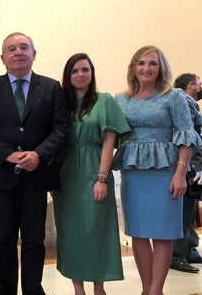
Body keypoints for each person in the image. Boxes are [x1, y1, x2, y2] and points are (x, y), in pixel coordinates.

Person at [0, 32, 69, 295]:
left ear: (33, 54)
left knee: (34, 240)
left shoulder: (51, 88)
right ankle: (7, 291)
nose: (18, 52)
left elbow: (60, 129)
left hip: (36, 175)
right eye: (11, 49)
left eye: (24, 47)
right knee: (3, 240)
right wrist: (8, 154)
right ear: (3, 57)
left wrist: (38, 154)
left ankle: (32, 290)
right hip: (0, 175)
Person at [112, 46, 201, 295]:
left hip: (166, 172)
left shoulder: (174, 97)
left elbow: (186, 137)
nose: (146, 68)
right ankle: (146, 289)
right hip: (133, 172)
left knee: (162, 232)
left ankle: (156, 290)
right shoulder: (121, 99)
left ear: (161, 67)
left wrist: (180, 174)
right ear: (133, 68)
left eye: (152, 63)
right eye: (141, 63)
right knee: (138, 233)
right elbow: (112, 135)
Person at [51, 53, 130, 295]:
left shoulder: (104, 100)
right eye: (74, 71)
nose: (80, 75)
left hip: (95, 170)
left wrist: (102, 178)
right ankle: (78, 289)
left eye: (85, 69)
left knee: (97, 230)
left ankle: (99, 288)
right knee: (71, 232)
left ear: (92, 73)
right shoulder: (61, 103)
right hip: (66, 176)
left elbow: (109, 141)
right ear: (68, 76)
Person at [170, 73, 202, 273]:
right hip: (189, 164)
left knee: (190, 209)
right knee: (183, 210)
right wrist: (197, 164)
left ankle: (190, 249)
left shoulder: (190, 104)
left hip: (192, 163)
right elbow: (191, 136)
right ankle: (177, 254)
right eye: (200, 84)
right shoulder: (185, 104)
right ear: (191, 85)